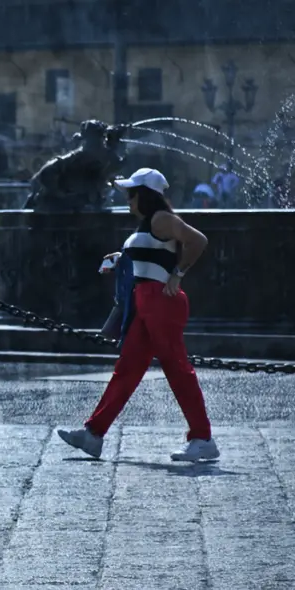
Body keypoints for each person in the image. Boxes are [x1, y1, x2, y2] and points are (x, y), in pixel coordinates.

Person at [59, 168, 219, 462]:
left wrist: (178, 274)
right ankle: (93, 433)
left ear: (144, 195)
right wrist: (121, 259)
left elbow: (198, 240)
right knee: (128, 368)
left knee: (176, 368)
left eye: (132, 194)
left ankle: (203, 438)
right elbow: (151, 257)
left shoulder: (161, 219)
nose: (128, 199)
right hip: (147, 302)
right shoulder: (149, 224)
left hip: (162, 301)